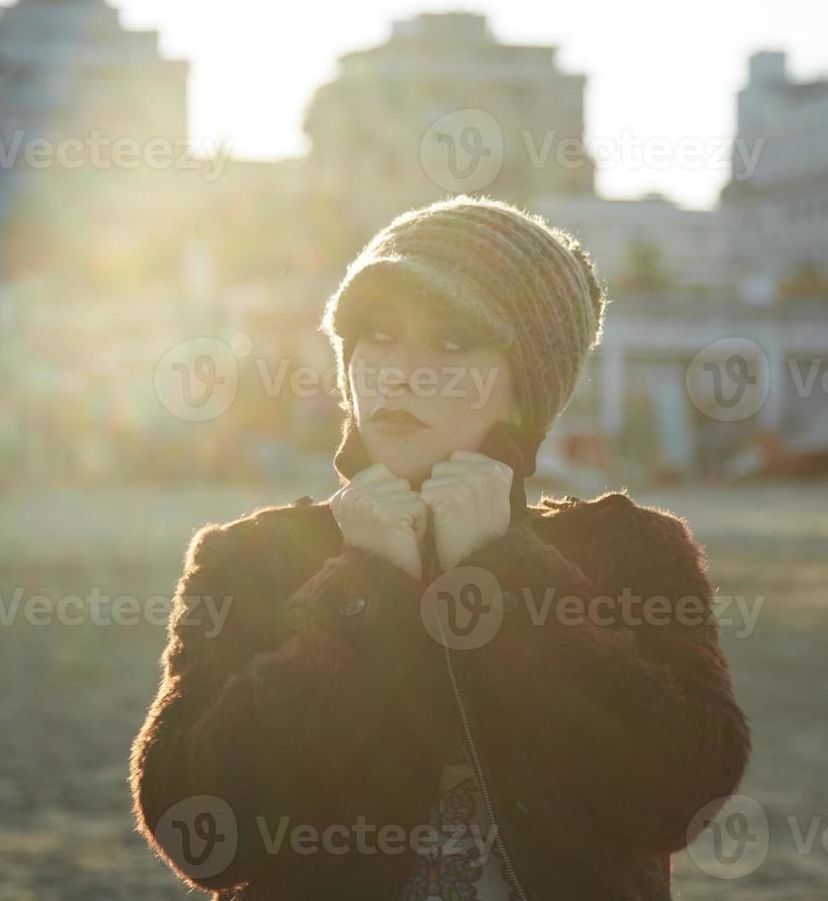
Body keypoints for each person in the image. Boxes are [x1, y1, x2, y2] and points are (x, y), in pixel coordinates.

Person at [130, 196, 751, 899]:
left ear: (528, 387)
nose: (399, 371)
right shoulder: (253, 558)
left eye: (453, 341)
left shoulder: (628, 552)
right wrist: (365, 588)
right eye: (378, 334)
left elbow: (677, 795)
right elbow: (201, 829)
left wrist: (509, 571)